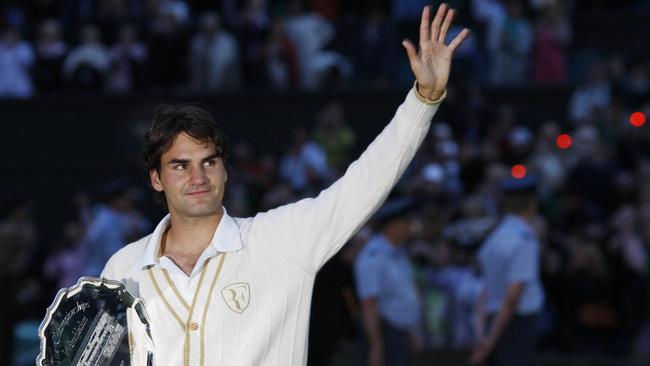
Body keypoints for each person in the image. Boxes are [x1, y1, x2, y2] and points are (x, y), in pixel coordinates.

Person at [101, 4, 469, 365]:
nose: (198, 177)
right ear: (156, 178)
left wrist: (423, 100)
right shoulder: (123, 269)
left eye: (208, 162)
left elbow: (364, 182)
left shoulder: (280, 239)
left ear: (225, 170)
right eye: (180, 166)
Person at [471, 175, 545, 366]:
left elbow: (484, 293)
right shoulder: (524, 239)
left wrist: (482, 335)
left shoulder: (495, 237)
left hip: (491, 321)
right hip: (513, 326)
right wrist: (490, 342)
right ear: (532, 203)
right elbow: (512, 298)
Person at [354, 198, 421, 366]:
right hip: (385, 335)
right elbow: (369, 303)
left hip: (401, 333)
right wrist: (376, 346)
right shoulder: (374, 256)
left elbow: (406, 296)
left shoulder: (399, 254)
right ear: (393, 225)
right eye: (406, 221)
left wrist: (412, 331)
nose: (410, 227)